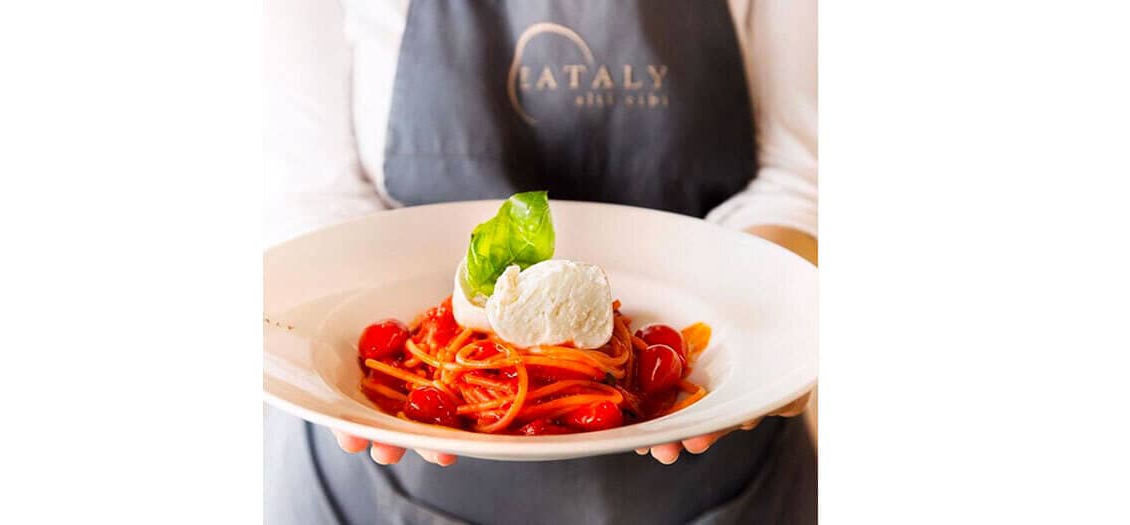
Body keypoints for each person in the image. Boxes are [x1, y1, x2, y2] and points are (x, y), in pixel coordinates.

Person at [264, 0, 817, 523]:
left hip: (720, 471)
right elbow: (312, 190)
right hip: (376, 483)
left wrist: (773, 323)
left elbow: (799, 177)